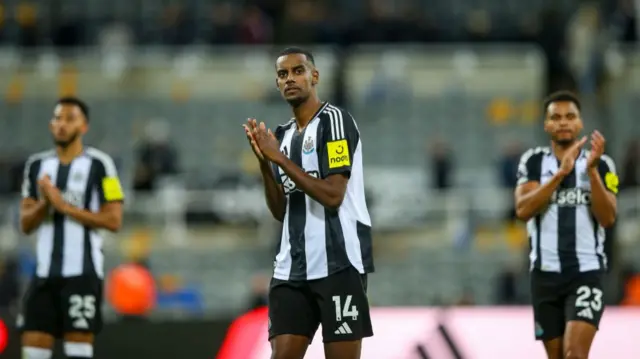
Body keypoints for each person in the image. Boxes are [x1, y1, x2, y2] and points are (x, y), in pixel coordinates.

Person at [243, 47, 374, 359]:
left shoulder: (335, 121)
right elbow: (279, 211)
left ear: (314, 77)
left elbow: (333, 195)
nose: (290, 79)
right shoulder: (282, 136)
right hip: (291, 270)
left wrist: (279, 159)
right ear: (277, 84)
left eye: (298, 71)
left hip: (339, 265)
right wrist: (265, 164)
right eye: (282, 74)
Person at [19, 97, 124, 359]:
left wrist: (64, 207)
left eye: (69, 118)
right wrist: (46, 201)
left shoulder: (101, 165)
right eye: (57, 118)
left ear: (84, 126)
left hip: (83, 274)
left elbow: (114, 220)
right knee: (33, 347)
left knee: (78, 348)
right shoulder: (37, 167)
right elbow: (26, 223)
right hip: (44, 274)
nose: (61, 125)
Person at [514, 91, 617, 359]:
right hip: (544, 275)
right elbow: (523, 209)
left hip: (586, 273)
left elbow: (608, 218)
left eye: (570, 116)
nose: (563, 122)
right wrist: (561, 174)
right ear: (546, 125)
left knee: (574, 354)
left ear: (580, 122)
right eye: (556, 117)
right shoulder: (534, 162)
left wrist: (591, 172)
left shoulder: (603, 165)